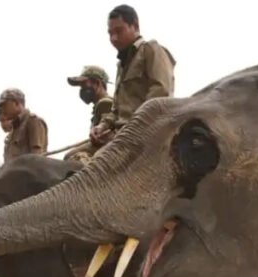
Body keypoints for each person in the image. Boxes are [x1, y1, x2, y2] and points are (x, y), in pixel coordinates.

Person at [91, 5, 176, 147]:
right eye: (110, 33)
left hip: (143, 137)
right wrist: (101, 127)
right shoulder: (122, 65)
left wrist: (124, 134)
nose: (114, 38)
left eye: (119, 31)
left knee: (88, 162)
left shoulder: (152, 50)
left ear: (135, 26)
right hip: (120, 136)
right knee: (71, 156)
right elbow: (116, 110)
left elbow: (160, 98)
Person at [64, 65, 114, 163]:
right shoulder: (100, 106)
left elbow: (105, 140)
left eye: (84, 85)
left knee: (71, 156)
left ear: (97, 83)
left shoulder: (105, 103)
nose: (82, 90)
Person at [0, 88, 48, 161]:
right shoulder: (14, 129)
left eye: (4, 105)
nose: (3, 109)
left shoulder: (33, 121)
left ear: (16, 104)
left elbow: (37, 159)